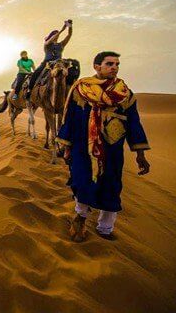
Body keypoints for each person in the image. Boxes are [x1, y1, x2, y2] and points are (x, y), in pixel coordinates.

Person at [56, 51, 150, 242]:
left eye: (116, 64)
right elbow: (71, 118)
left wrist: (140, 154)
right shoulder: (81, 89)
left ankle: (105, 228)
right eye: (109, 64)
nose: (114, 67)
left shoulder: (124, 94)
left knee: (111, 186)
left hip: (112, 149)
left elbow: (134, 123)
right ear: (97, 67)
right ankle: (80, 217)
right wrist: (66, 146)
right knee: (83, 181)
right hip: (83, 147)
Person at [27, 19, 73, 98]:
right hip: (47, 63)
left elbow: (69, 35)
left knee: (72, 71)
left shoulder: (61, 44)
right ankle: (29, 90)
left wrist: (70, 26)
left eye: (57, 34)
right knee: (36, 73)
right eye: (55, 34)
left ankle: (72, 92)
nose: (57, 35)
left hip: (59, 63)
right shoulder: (47, 44)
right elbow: (50, 40)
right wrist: (62, 30)